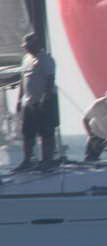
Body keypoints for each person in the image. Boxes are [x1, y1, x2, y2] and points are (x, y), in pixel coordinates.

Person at [16, 33, 58, 171]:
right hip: (29, 102)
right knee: (27, 133)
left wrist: (45, 98)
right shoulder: (26, 59)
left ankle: (47, 160)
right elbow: (23, 80)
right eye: (26, 46)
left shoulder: (46, 59)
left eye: (29, 46)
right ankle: (27, 160)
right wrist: (19, 99)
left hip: (44, 101)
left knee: (46, 132)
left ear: (36, 45)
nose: (27, 48)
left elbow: (50, 78)